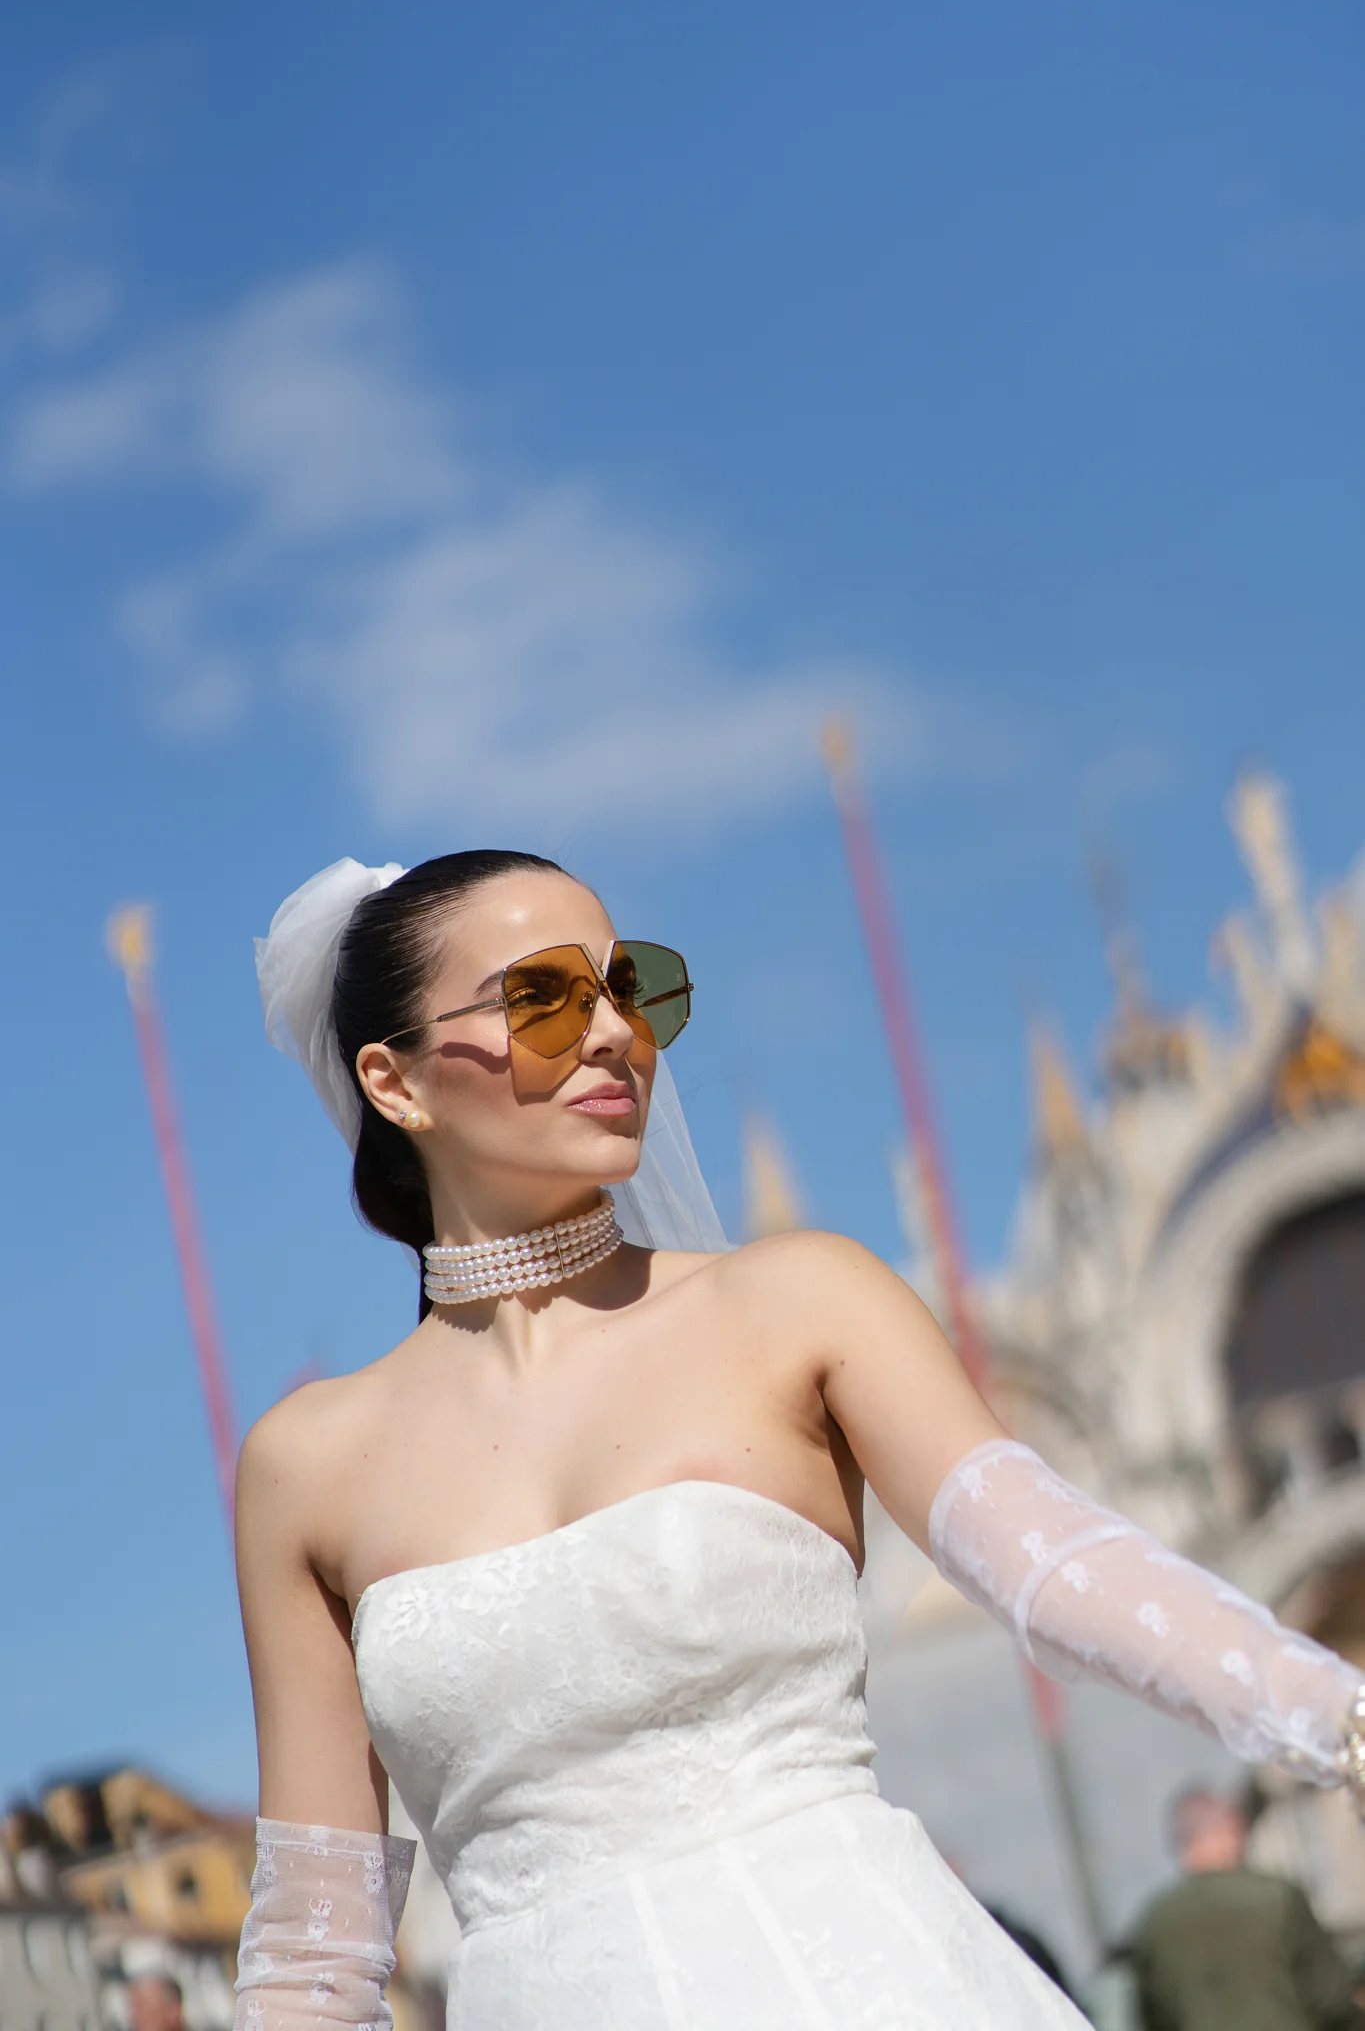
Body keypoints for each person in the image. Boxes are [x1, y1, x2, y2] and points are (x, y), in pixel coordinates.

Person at [234, 851, 1365, 2031]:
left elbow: (1058, 1563)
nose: (616, 1032)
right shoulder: (305, 1465)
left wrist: (1341, 1717)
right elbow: (316, 1964)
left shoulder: (798, 1300)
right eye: (547, 997)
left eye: (633, 986)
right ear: (395, 1081)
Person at [1131, 1787, 1362, 2031]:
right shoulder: (1279, 1896)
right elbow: (1332, 2000)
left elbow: (1152, 2017)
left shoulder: (1154, 1923)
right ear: (1230, 1831)